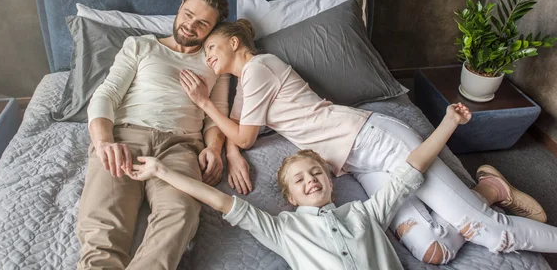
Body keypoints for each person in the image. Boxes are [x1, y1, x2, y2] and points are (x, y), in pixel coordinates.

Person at [177, 19, 556, 264]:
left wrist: (204, 102)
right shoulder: (247, 82)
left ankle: (491, 209)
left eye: (210, 48)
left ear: (232, 41)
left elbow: (243, 132)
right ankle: (489, 188)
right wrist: (229, 150)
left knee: (487, 230)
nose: (207, 57)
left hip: (376, 140)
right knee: (430, 248)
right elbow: (239, 134)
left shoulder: (259, 68)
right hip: (358, 161)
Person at [123, 104, 469, 270]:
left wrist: (449, 122)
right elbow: (219, 200)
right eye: (300, 179)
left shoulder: (364, 212)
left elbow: (410, 170)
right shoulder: (283, 229)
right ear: (289, 197)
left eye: (316, 173)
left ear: (330, 181)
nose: (311, 180)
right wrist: (161, 172)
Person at [76, 0, 251, 270]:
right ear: (181, 5)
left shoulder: (214, 63)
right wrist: (104, 142)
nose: (190, 26)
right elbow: (106, 95)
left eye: (202, 24)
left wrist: (213, 149)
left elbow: (215, 116)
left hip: (180, 147)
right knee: (102, 225)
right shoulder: (140, 46)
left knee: (180, 214)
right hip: (125, 136)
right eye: (188, 15)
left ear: (214, 28)